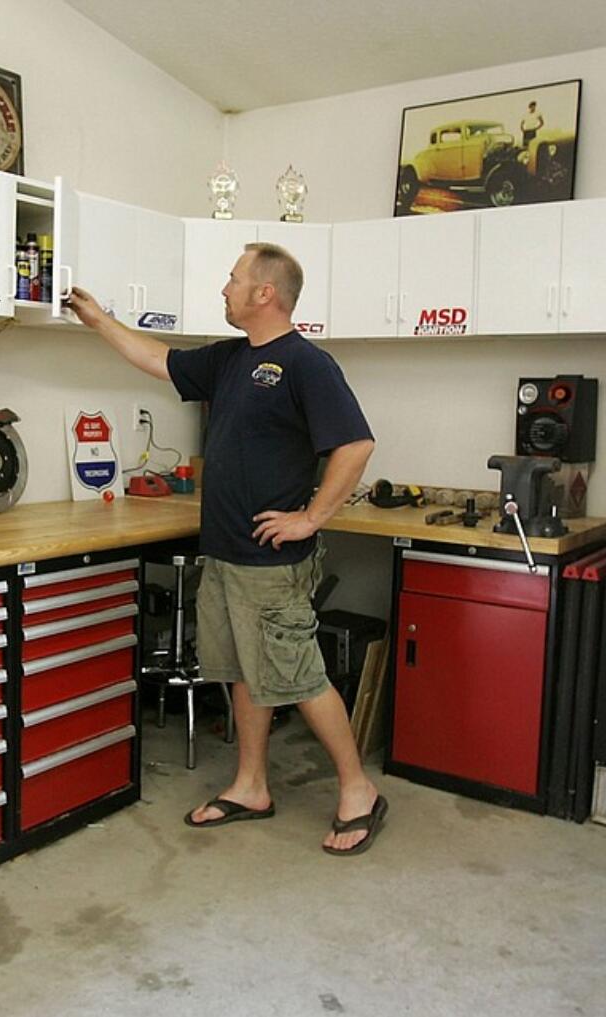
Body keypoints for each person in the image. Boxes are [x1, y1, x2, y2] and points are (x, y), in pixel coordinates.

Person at [64, 242, 387, 855]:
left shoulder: (306, 364)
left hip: (272, 561)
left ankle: (358, 791)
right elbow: (157, 360)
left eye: (234, 278)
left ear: (265, 293)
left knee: (299, 677)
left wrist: (310, 518)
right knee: (242, 671)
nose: (224, 287)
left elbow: (356, 445)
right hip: (228, 552)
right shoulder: (231, 359)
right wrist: (100, 319)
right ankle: (250, 785)